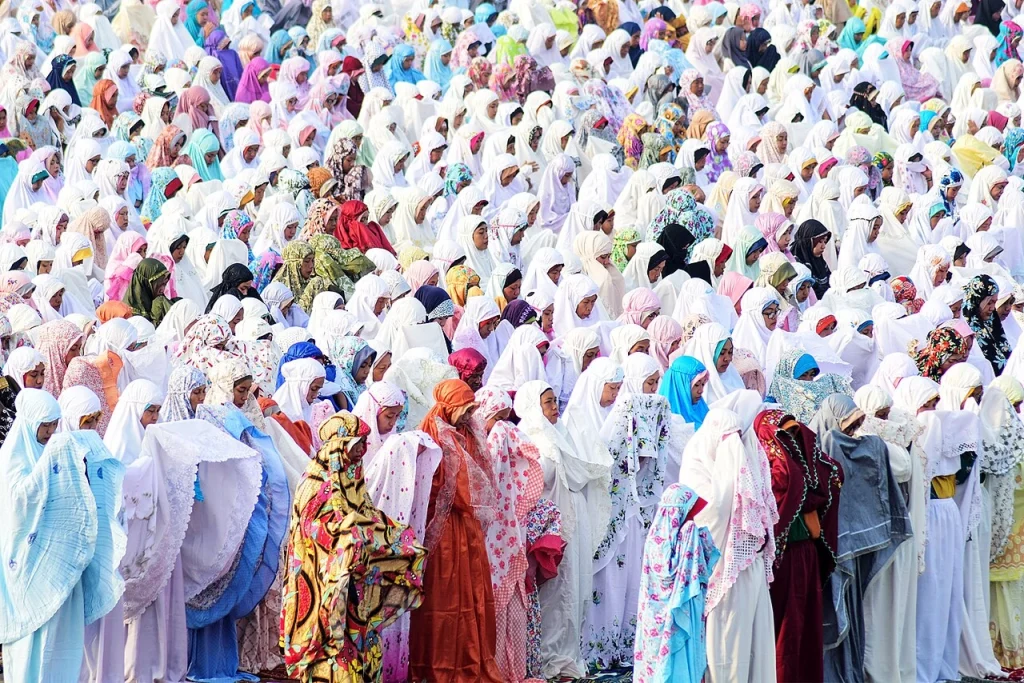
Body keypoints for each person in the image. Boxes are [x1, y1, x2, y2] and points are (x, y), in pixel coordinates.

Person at [281, 411, 428, 682]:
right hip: (325, 584)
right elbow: (317, 534)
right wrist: (356, 538)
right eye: (356, 444)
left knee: (360, 639)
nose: (362, 451)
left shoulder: (351, 481)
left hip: (354, 586)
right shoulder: (314, 486)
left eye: (363, 443)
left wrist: (391, 536)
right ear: (339, 448)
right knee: (334, 648)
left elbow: (366, 515)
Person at [408, 379, 504, 681]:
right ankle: (438, 664)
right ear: (448, 407)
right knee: (445, 598)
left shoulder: (467, 431)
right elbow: (434, 484)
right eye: (464, 409)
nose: (468, 415)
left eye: (471, 409)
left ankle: (469, 659)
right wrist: (463, 498)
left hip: (466, 527)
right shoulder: (434, 434)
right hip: (444, 530)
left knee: (471, 594)